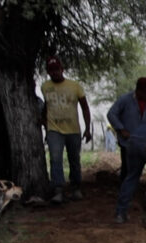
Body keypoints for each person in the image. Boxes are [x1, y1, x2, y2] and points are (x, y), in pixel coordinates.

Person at [39, 56, 92, 204]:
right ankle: (58, 190)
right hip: (54, 130)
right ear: (48, 73)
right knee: (55, 158)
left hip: (73, 129)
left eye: (57, 70)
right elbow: (46, 106)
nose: (54, 73)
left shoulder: (75, 86)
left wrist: (88, 129)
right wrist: (44, 122)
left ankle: (75, 188)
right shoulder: (45, 87)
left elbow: (85, 108)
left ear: (62, 70)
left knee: (74, 159)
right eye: (51, 71)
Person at [107, 77, 146, 180]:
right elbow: (111, 114)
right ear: (139, 90)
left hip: (144, 143)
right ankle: (125, 192)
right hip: (128, 143)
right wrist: (121, 129)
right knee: (127, 170)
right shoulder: (125, 100)